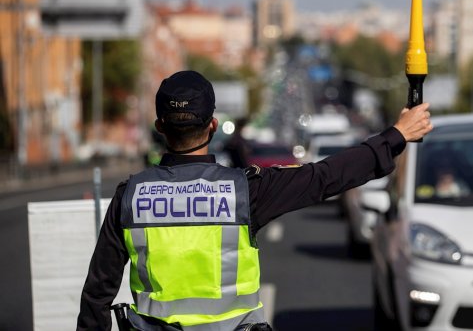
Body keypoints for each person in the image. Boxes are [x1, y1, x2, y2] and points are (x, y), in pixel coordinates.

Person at [76, 70, 433, 331]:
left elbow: (97, 293)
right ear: (213, 126)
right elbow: (326, 176)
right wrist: (396, 135)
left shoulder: (131, 195)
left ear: (160, 127)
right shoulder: (244, 191)